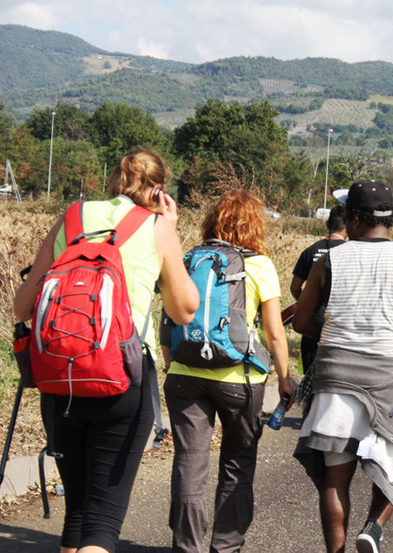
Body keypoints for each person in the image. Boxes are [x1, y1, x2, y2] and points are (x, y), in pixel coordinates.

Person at [13, 149, 199, 553]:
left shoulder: (72, 216)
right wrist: (170, 229)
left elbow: (21, 307)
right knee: (102, 522)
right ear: (158, 189)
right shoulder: (155, 225)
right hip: (122, 377)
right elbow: (184, 310)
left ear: (113, 179)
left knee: (77, 512)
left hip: (59, 376)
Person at [292, 180, 393, 553]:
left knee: (334, 477)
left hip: (336, 374)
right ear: (391, 218)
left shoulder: (329, 260)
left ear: (354, 218)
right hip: (387, 378)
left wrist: (335, 334)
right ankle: (373, 528)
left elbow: (301, 321)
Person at [162, 190, 293, 553]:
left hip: (184, 373)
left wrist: (170, 362)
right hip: (241, 379)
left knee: (189, 461)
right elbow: (275, 333)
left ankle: (186, 546)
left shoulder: (189, 258)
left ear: (212, 221)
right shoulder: (259, 265)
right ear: (255, 226)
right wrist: (284, 377)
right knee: (237, 462)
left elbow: (168, 317)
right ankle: (226, 546)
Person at [290, 205, 348, 372]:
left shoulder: (310, 251)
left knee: (309, 377)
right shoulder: (349, 253)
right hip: (338, 327)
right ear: (348, 226)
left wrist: (306, 304)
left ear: (327, 223)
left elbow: (295, 287)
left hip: (311, 324)